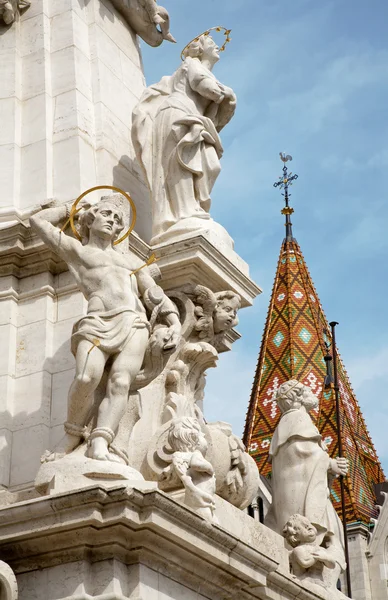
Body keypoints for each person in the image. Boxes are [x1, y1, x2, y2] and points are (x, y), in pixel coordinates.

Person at [30, 198, 181, 463]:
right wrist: (69, 209)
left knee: (121, 382)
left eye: (118, 218)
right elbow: (37, 222)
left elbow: (153, 294)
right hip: (98, 322)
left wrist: (174, 321)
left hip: (134, 323)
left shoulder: (130, 261)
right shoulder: (79, 251)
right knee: (87, 377)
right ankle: (73, 433)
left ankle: (101, 440)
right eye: (106, 214)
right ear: (90, 219)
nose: (112, 220)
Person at [132, 33, 236, 244]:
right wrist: (227, 93)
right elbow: (205, 86)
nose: (217, 47)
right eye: (211, 43)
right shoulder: (192, 64)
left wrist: (227, 97)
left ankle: (191, 208)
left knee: (209, 164)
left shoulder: (203, 70)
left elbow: (218, 111)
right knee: (183, 162)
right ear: (199, 49)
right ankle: (184, 212)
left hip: (192, 118)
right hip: (178, 115)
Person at [265, 380, 348, 572]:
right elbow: (305, 455)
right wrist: (330, 463)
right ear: (298, 397)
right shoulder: (298, 421)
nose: (313, 393)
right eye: (308, 390)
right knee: (332, 537)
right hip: (303, 498)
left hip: (293, 497)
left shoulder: (286, 425)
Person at [283, 514, 345, 590]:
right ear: (295, 537)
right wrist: (316, 558)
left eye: (308, 525)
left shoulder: (319, 549)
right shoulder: (299, 549)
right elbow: (305, 563)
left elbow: (332, 565)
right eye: (305, 527)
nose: (309, 528)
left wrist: (325, 558)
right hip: (304, 580)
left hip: (319, 582)